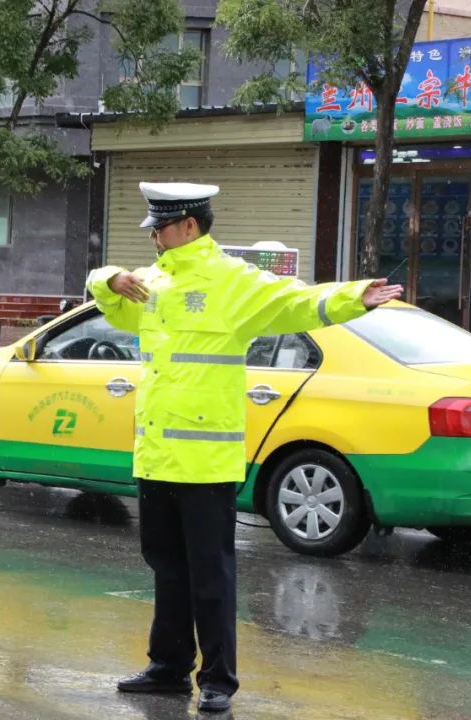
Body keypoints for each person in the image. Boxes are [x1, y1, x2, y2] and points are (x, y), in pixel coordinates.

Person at [86, 182, 402, 714]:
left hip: (206, 462)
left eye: (160, 229)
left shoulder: (233, 280)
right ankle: (167, 667)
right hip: (158, 455)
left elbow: (297, 301)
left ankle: (217, 680)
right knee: (166, 567)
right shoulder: (154, 283)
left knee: (211, 574)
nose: (155, 240)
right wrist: (106, 276)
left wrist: (355, 297)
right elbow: (112, 303)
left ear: (189, 225)